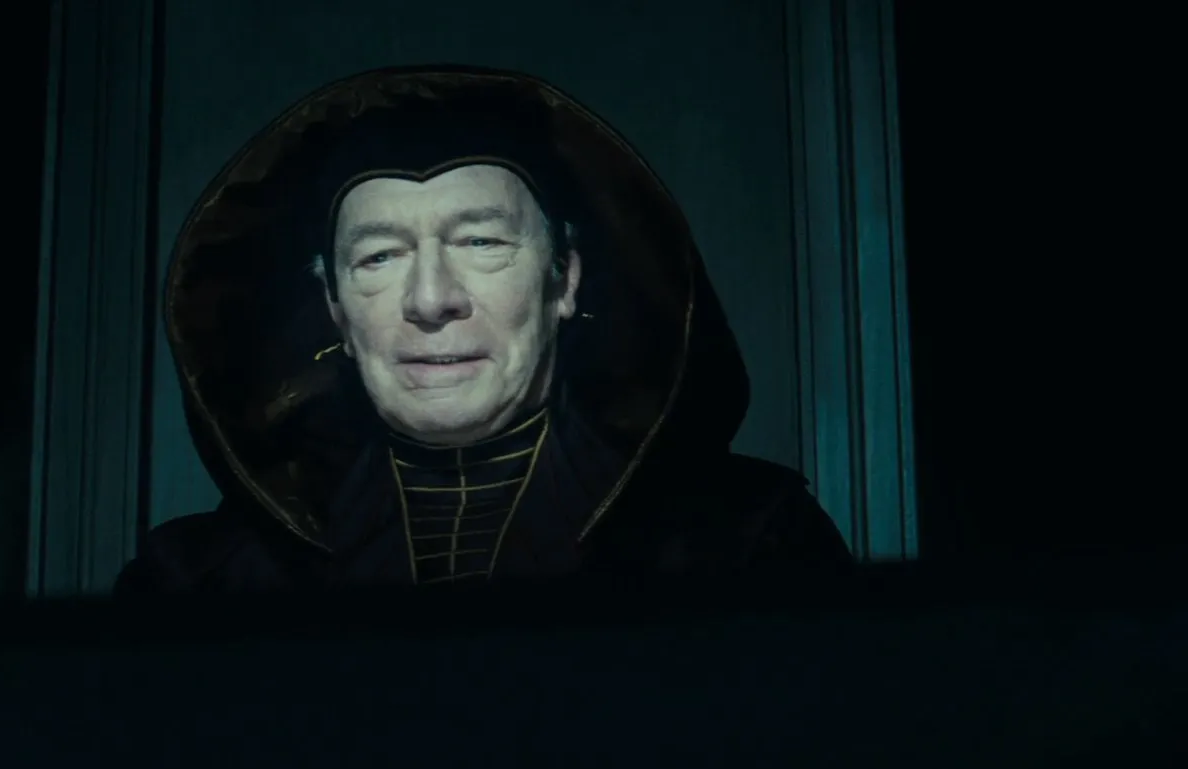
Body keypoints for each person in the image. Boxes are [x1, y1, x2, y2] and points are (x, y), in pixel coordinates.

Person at [116, 66, 853, 592]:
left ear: (564, 280)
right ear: (335, 307)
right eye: (379, 256)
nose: (431, 299)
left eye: (481, 242)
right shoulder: (198, 580)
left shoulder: (748, 542)